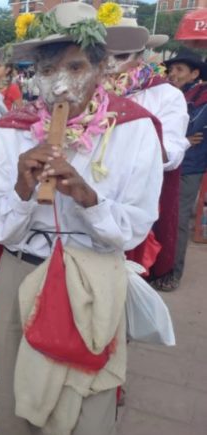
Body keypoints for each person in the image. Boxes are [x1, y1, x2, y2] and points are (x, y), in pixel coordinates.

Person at [0, 4, 163, 435]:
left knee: (88, 410)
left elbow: (135, 227)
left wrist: (88, 198)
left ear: (101, 67)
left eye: (74, 66)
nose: (60, 83)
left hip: (94, 273)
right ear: (33, 74)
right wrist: (22, 189)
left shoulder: (134, 129)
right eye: (48, 68)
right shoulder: (7, 132)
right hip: (21, 269)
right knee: (18, 409)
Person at [103, 20, 190, 286]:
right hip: (93, 195)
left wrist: (136, 134)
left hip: (136, 197)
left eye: (119, 56)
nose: (110, 64)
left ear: (141, 56)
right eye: (103, 55)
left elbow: (172, 154)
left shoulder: (166, 95)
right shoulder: (88, 89)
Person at [159, 50, 207, 291]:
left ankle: (172, 272)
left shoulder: (202, 99)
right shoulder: (169, 95)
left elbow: (193, 131)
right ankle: (156, 266)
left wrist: (184, 138)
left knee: (177, 219)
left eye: (179, 70)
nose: (172, 74)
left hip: (189, 166)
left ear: (194, 73)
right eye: (171, 69)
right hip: (165, 162)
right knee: (159, 216)